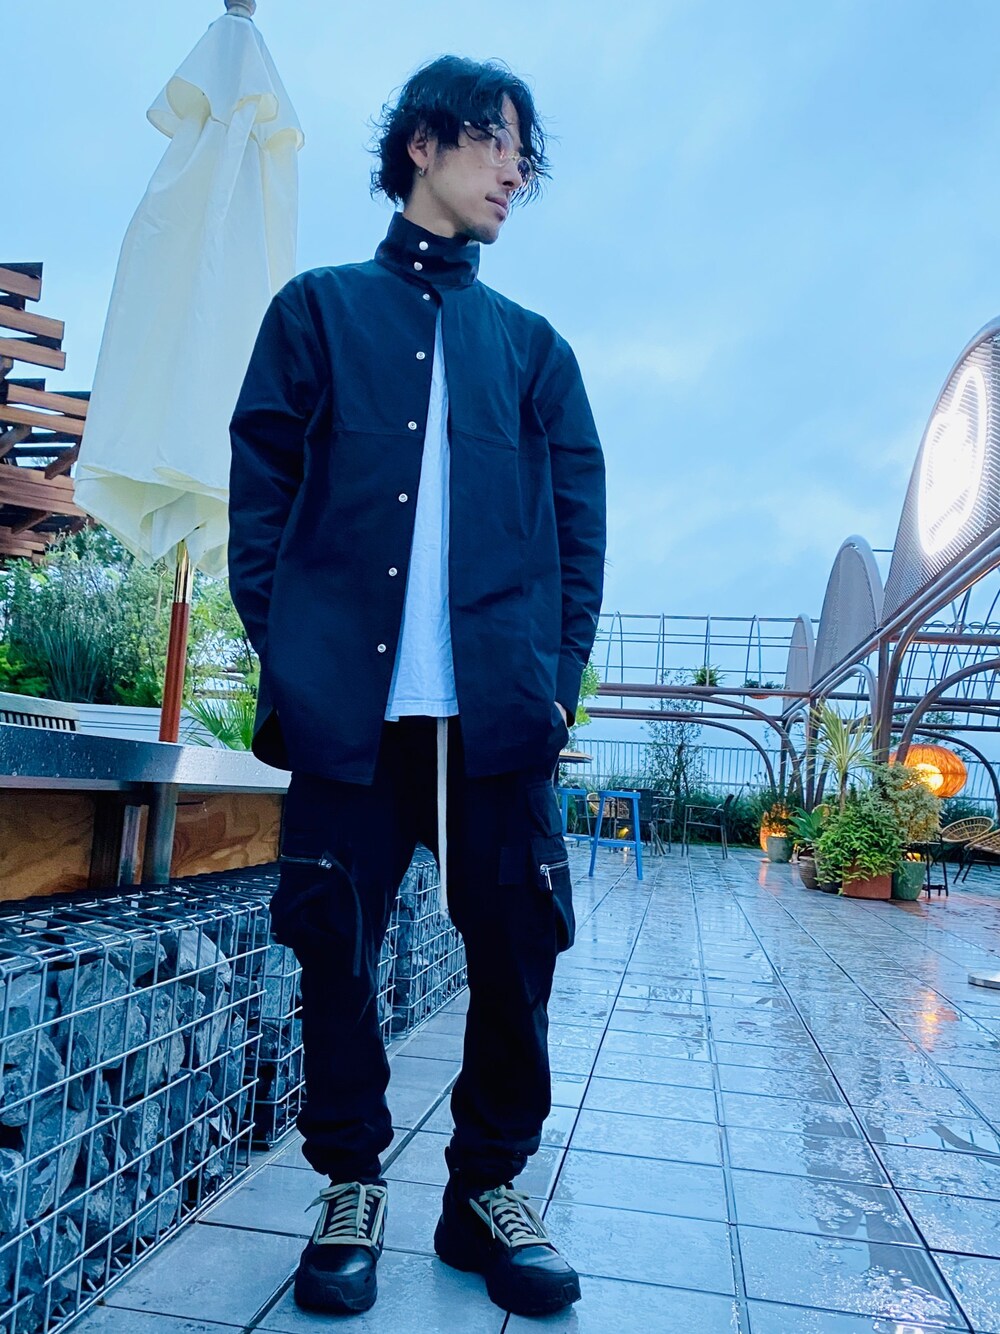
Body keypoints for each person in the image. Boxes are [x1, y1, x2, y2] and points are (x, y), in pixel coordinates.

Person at [228, 54, 606, 1319]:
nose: (513, 171)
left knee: (520, 949)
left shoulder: (534, 350)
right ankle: (350, 1184)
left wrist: (555, 685)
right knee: (332, 946)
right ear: (422, 145)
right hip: (351, 717)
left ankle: (484, 1190)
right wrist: (294, 653)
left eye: (523, 154)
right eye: (495, 142)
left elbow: (579, 529)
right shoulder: (316, 312)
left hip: (496, 716)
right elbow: (260, 498)